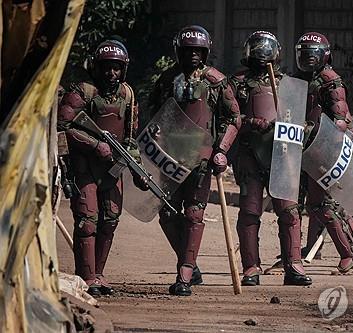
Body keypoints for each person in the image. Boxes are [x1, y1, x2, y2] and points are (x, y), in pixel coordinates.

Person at [149, 25, 241, 295]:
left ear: (205, 52)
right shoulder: (167, 79)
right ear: (179, 51)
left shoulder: (216, 81)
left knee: (194, 214)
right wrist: (154, 132)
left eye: (197, 51)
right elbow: (153, 110)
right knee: (166, 213)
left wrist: (222, 149)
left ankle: (184, 276)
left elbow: (233, 118)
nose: (192, 55)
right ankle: (188, 260)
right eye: (188, 50)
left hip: (201, 160)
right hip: (169, 159)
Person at [58, 39, 143, 296]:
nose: (111, 73)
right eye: (106, 67)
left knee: (110, 220)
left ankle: (99, 274)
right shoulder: (83, 91)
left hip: (112, 168)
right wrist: (96, 146)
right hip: (85, 168)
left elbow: (130, 137)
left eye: (116, 68)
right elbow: (63, 126)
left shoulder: (127, 94)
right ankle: (86, 277)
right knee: (87, 222)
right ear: (96, 66)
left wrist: (137, 168)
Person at [230, 31, 312, 286]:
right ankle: (251, 268)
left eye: (266, 49)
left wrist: (292, 127)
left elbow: (301, 121)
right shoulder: (237, 84)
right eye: (257, 49)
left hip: (282, 156)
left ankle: (294, 265)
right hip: (249, 155)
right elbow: (227, 119)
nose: (261, 54)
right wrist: (250, 122)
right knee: (250, 213)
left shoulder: (289, 84)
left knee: (289, 211)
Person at [294, 32, 353, 273]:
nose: (308, 60)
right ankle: (294, 255)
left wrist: (311, 130)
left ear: (324, 56)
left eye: (312, 55)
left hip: (324, 151)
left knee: (323, 205)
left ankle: (349, 253)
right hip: (303, 149)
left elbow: (339, 121)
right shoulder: (301, 79)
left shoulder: (330, 81)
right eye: (305, 55)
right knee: (306, 205)